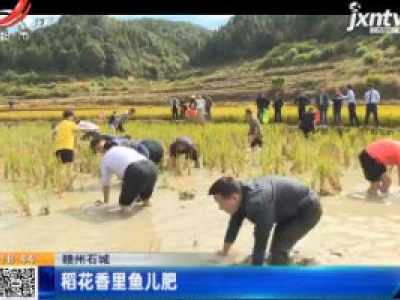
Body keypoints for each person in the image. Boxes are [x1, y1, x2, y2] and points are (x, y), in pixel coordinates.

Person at [208, 175, 322, 266]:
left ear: (234, 198)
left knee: (278, 250)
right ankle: (286, 264)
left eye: (221, 203)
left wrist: (256, 272)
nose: (220, 208)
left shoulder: (257, 203)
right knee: (275, 251)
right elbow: (234, 224)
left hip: (308, 209)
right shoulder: (240, 192)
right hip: (289, 210)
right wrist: (224, 252)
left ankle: (280, 286)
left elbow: (261, 239)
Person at [94, 139, 158, 211]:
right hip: (152, 167)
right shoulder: (124, 148)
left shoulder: (105, 159)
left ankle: (134, 222)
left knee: (124, 205)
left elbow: (106, 184)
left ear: (104, 150)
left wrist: (106, 203)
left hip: (136, 170)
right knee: (146, 202)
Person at [54, 109, 80, 190]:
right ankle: (70, 187)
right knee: (70, 169)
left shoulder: (59, 125)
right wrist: (76, 145)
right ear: (70, 116)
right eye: (73, 116)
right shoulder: (72, 124)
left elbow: (53, 134)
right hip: (68, 148)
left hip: (58, 149)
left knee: (60, 169)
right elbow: (77, 134)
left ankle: (60, 186)